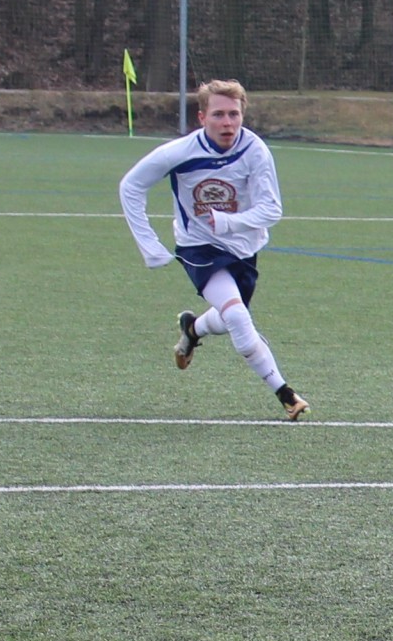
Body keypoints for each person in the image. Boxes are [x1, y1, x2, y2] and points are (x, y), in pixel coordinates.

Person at [118, 79, 309, 421]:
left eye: (234, 114)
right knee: (236, 316)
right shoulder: (180, 152)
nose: (227, 123)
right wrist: (149, 245)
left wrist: (227, 223)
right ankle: (286, 394)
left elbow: (271, 210)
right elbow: (131, 186)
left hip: (244, 248)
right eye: (218, 115)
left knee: (228, 317)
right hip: (198, 247)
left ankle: (192, 329)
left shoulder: (254, 150)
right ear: (202, 117)